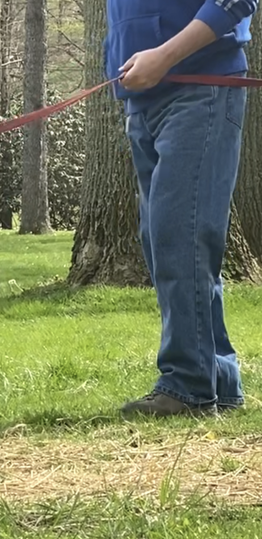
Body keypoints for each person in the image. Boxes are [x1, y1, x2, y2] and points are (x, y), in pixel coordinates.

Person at [107, 0, 257, 417]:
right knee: (163, 241)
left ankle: (188, 385)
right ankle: (219, 381)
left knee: (180, 235)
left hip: (200, 87)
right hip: (142, 99)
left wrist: (164, 56)